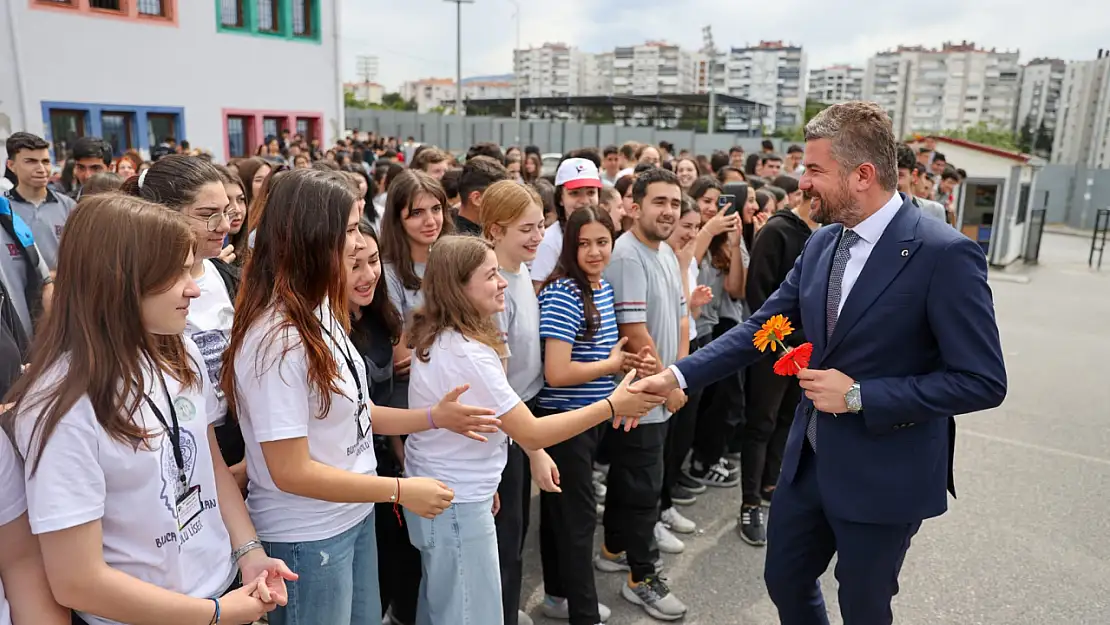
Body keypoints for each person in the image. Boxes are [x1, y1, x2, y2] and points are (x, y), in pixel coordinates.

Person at [632, 101, 1007, 625]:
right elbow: (758, 329)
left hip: (885, 476)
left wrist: (860, 396)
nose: (802, 183)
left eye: (814, 170)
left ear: (863, 175)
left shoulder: (943, 255)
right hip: (808, 465)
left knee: (863, 607)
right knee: (784, 580)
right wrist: (674, 375)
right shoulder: (824, 241)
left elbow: (983, 381)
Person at [222, 169, 497, 625]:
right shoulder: (278, 339)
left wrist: (433, 417)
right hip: (308, 537)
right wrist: (398, 490)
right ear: (314, 237)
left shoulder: (319, 313)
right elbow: (290, 470)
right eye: (349, 230)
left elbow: (358, 415)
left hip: (350, 519)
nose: (357, 243)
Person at [7, 194, 290, 625]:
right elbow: (75, 580)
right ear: (121, 280)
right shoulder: (62, 408)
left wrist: (249, 552)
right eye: (176, 274)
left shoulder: (181, 352)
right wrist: (212, 614)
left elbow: (208, 464)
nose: (194, 287)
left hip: (219, 589)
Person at [403, 234, 661, 625]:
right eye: (491, 275)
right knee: (468, 612)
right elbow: (532, 431)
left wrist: (499, 475)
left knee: (444, 602)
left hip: (452, 494)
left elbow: (500, 419)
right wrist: (612, 405)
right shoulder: (467, 352)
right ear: (458, 288)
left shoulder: (448, 336)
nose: (503, 281)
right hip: (454, 502)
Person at [596, 167, 688, 621]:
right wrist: (667, 384)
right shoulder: (628, 256)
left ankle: (613, 547)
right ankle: (641, 576)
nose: (669, 211)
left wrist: (682, 372)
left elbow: (682, 318)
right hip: (642, 394)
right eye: (659, 202)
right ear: (634, 207)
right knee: (642, 489)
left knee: (632, 482)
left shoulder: (666, 251)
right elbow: (633, 332)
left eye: (675, 202)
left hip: (663, 386)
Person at [536, 207, 628, 625]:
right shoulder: (563, 292)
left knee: (563, 517)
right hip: (565, 422)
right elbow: (557, 372)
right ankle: (584, 614)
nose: (594, 251)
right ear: (570, 246)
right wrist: (611, 367)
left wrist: (618, 366)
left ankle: (558, 596)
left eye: (602, 242)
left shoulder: (601, 287)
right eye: (584, 243)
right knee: (577, 521)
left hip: (589, 420)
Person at [478, 181, 556, 625]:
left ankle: (506, 610)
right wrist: (534, 447)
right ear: (494, 230)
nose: (537, 237)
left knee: (515, 534)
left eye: (541, 225)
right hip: (506, 427)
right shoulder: (495, 290)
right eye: (526, 228)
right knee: (505, 538)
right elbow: (498, 386)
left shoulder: (521, 269)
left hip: (523, 415)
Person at [4, 132, 76, 269]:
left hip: (62, 288)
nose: (41, 169)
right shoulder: (3, 208)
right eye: (30, 161)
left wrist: (52, 279)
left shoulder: (69, 207)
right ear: (11, 165)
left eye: (45, 162)